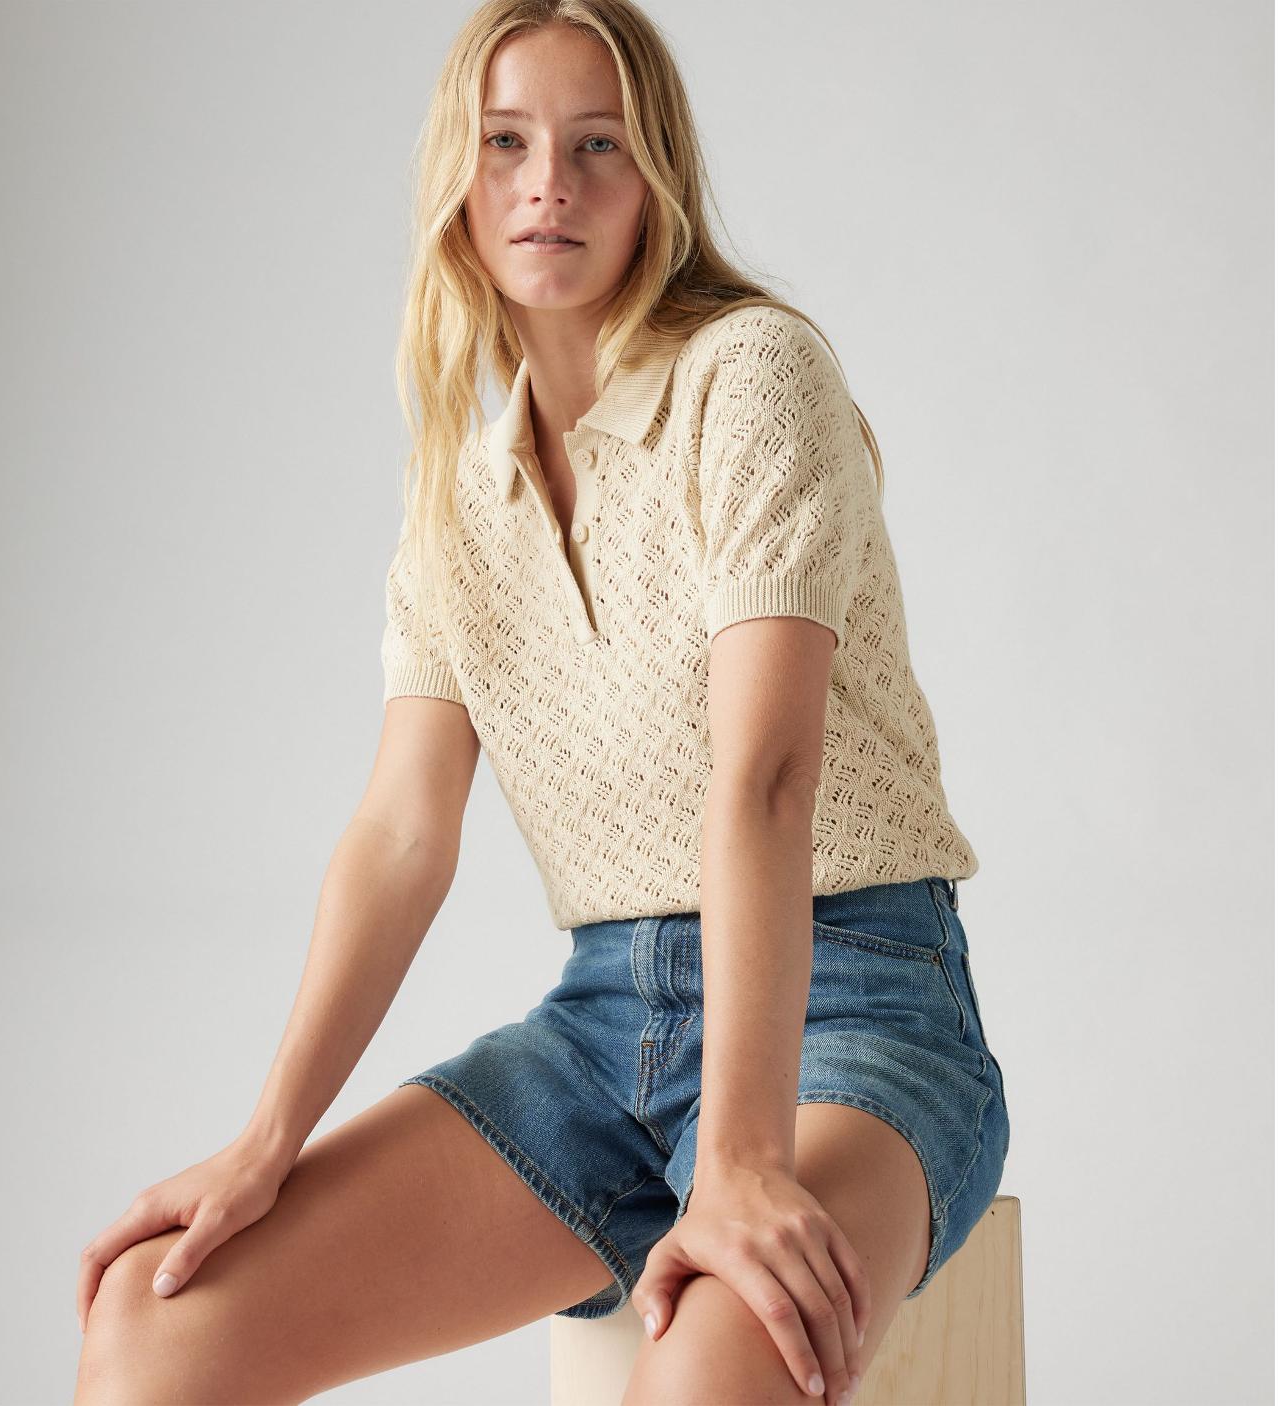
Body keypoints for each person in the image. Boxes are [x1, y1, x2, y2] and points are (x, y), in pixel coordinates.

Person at [73, 3, 1006, 1401]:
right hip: (600, 1030)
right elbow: (401, 833)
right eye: (506, 142)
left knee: (704, 1378)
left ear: (657, 180)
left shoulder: (750, 375)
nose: (547, 185)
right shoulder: (461, 488)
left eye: (597, 145)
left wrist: (741, 1156)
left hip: (855, 996)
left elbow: (764, 776)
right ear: (458, 177)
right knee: (154, 1323)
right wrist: (267, 1141)